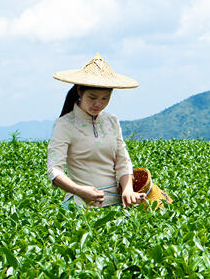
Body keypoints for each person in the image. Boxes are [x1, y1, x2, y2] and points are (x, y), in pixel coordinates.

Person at [47, 53, 172, 209]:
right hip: (80, 204)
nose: (98, 104)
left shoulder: (111, 121)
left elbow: (123, 160)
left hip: (116, 203)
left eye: (105, 99)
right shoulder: (64, 124)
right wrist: (80, 190)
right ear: (79, 91)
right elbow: (54, 169)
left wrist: (127, 190)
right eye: (92, 98)